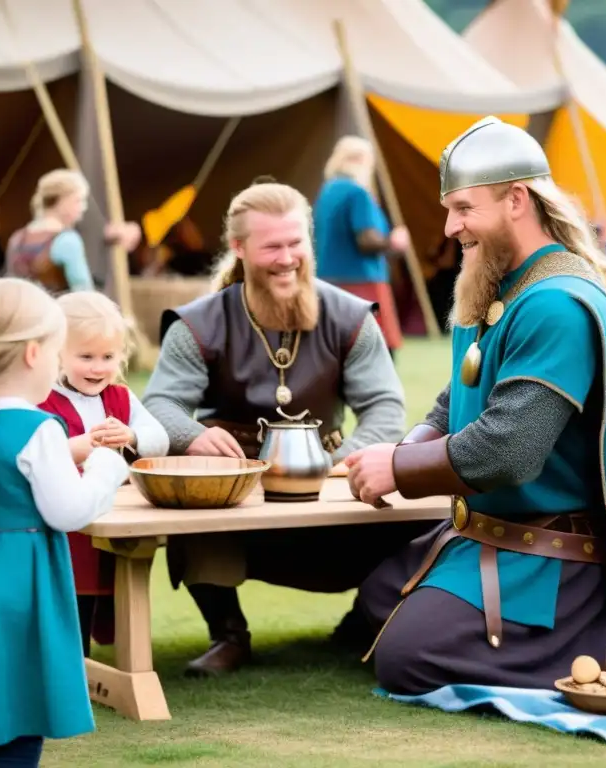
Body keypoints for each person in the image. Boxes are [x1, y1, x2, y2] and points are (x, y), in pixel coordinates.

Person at [341, 116, 606, 694]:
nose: (450, 227)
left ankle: (598, 649)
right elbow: (457, 399)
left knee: (404, 658)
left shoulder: (557, 305)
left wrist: (396, 468)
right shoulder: (502, 285)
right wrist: (406, 448)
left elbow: (508, 449)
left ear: (517, 198)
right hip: (483, 530)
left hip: (553, 556)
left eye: (464, 208)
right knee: (371, 604)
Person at [141, 181, 431, 677]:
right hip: (234, 490)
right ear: (239, 248)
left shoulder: (350, 317)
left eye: (296, 243)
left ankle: (364, 619)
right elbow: (159, 406)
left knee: (424, 518)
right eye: (271, 245)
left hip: (326, 484)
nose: (286, 258)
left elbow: (384, 408)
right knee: (187, 505)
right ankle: (228, 635)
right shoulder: (198, 323)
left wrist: (339, 465)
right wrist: (192, 437)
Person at [0, 277, 129, 767]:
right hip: (21, 593)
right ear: (32, 354)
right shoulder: (40, 428)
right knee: (20, 730)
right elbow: (67, 512)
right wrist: (108, 467)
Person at [38, 290, 169, 657]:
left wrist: (132, 435)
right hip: (67, 525)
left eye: (108, 357)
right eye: (86, 357)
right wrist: (76, 446)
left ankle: (124, 659)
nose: (98, 368)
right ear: (56, 354)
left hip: (116, 516)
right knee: (73, 595)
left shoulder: (121, 398)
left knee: (116, 588)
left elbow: (160, 438)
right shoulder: (41, 400)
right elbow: (32, 453)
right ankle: (73, 664)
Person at [313, 136, 410, 357]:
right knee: (378, 350)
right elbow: (367, 240)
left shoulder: (328, 191)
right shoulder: (357, 193)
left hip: (328, 280)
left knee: (336, 349)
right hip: (362, 282)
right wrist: (394, 242)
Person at [5, 169, 94, 294]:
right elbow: (84, 292)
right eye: (78, 201)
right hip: (58, 311)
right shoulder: (67, 240)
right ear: (62, 200)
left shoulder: (17, 238)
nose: (83, 207)